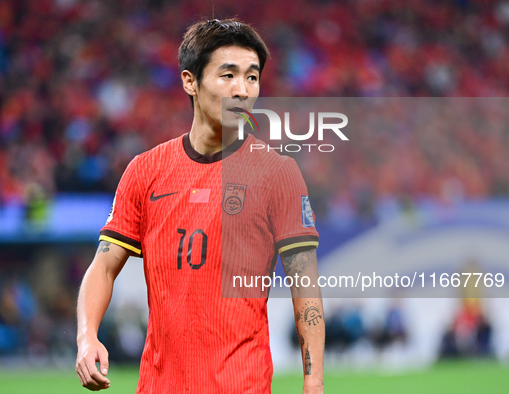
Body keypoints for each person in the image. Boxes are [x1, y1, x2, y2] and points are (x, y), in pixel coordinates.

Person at [76, 19, 325, 393]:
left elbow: (305, 285)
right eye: (228, 75)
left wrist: (314, 382)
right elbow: (104, 267)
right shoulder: (145, 172)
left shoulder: (278, 174)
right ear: (190, 81)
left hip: (243, 385)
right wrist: (86, 336)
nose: (242, 90)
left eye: (252, 77)